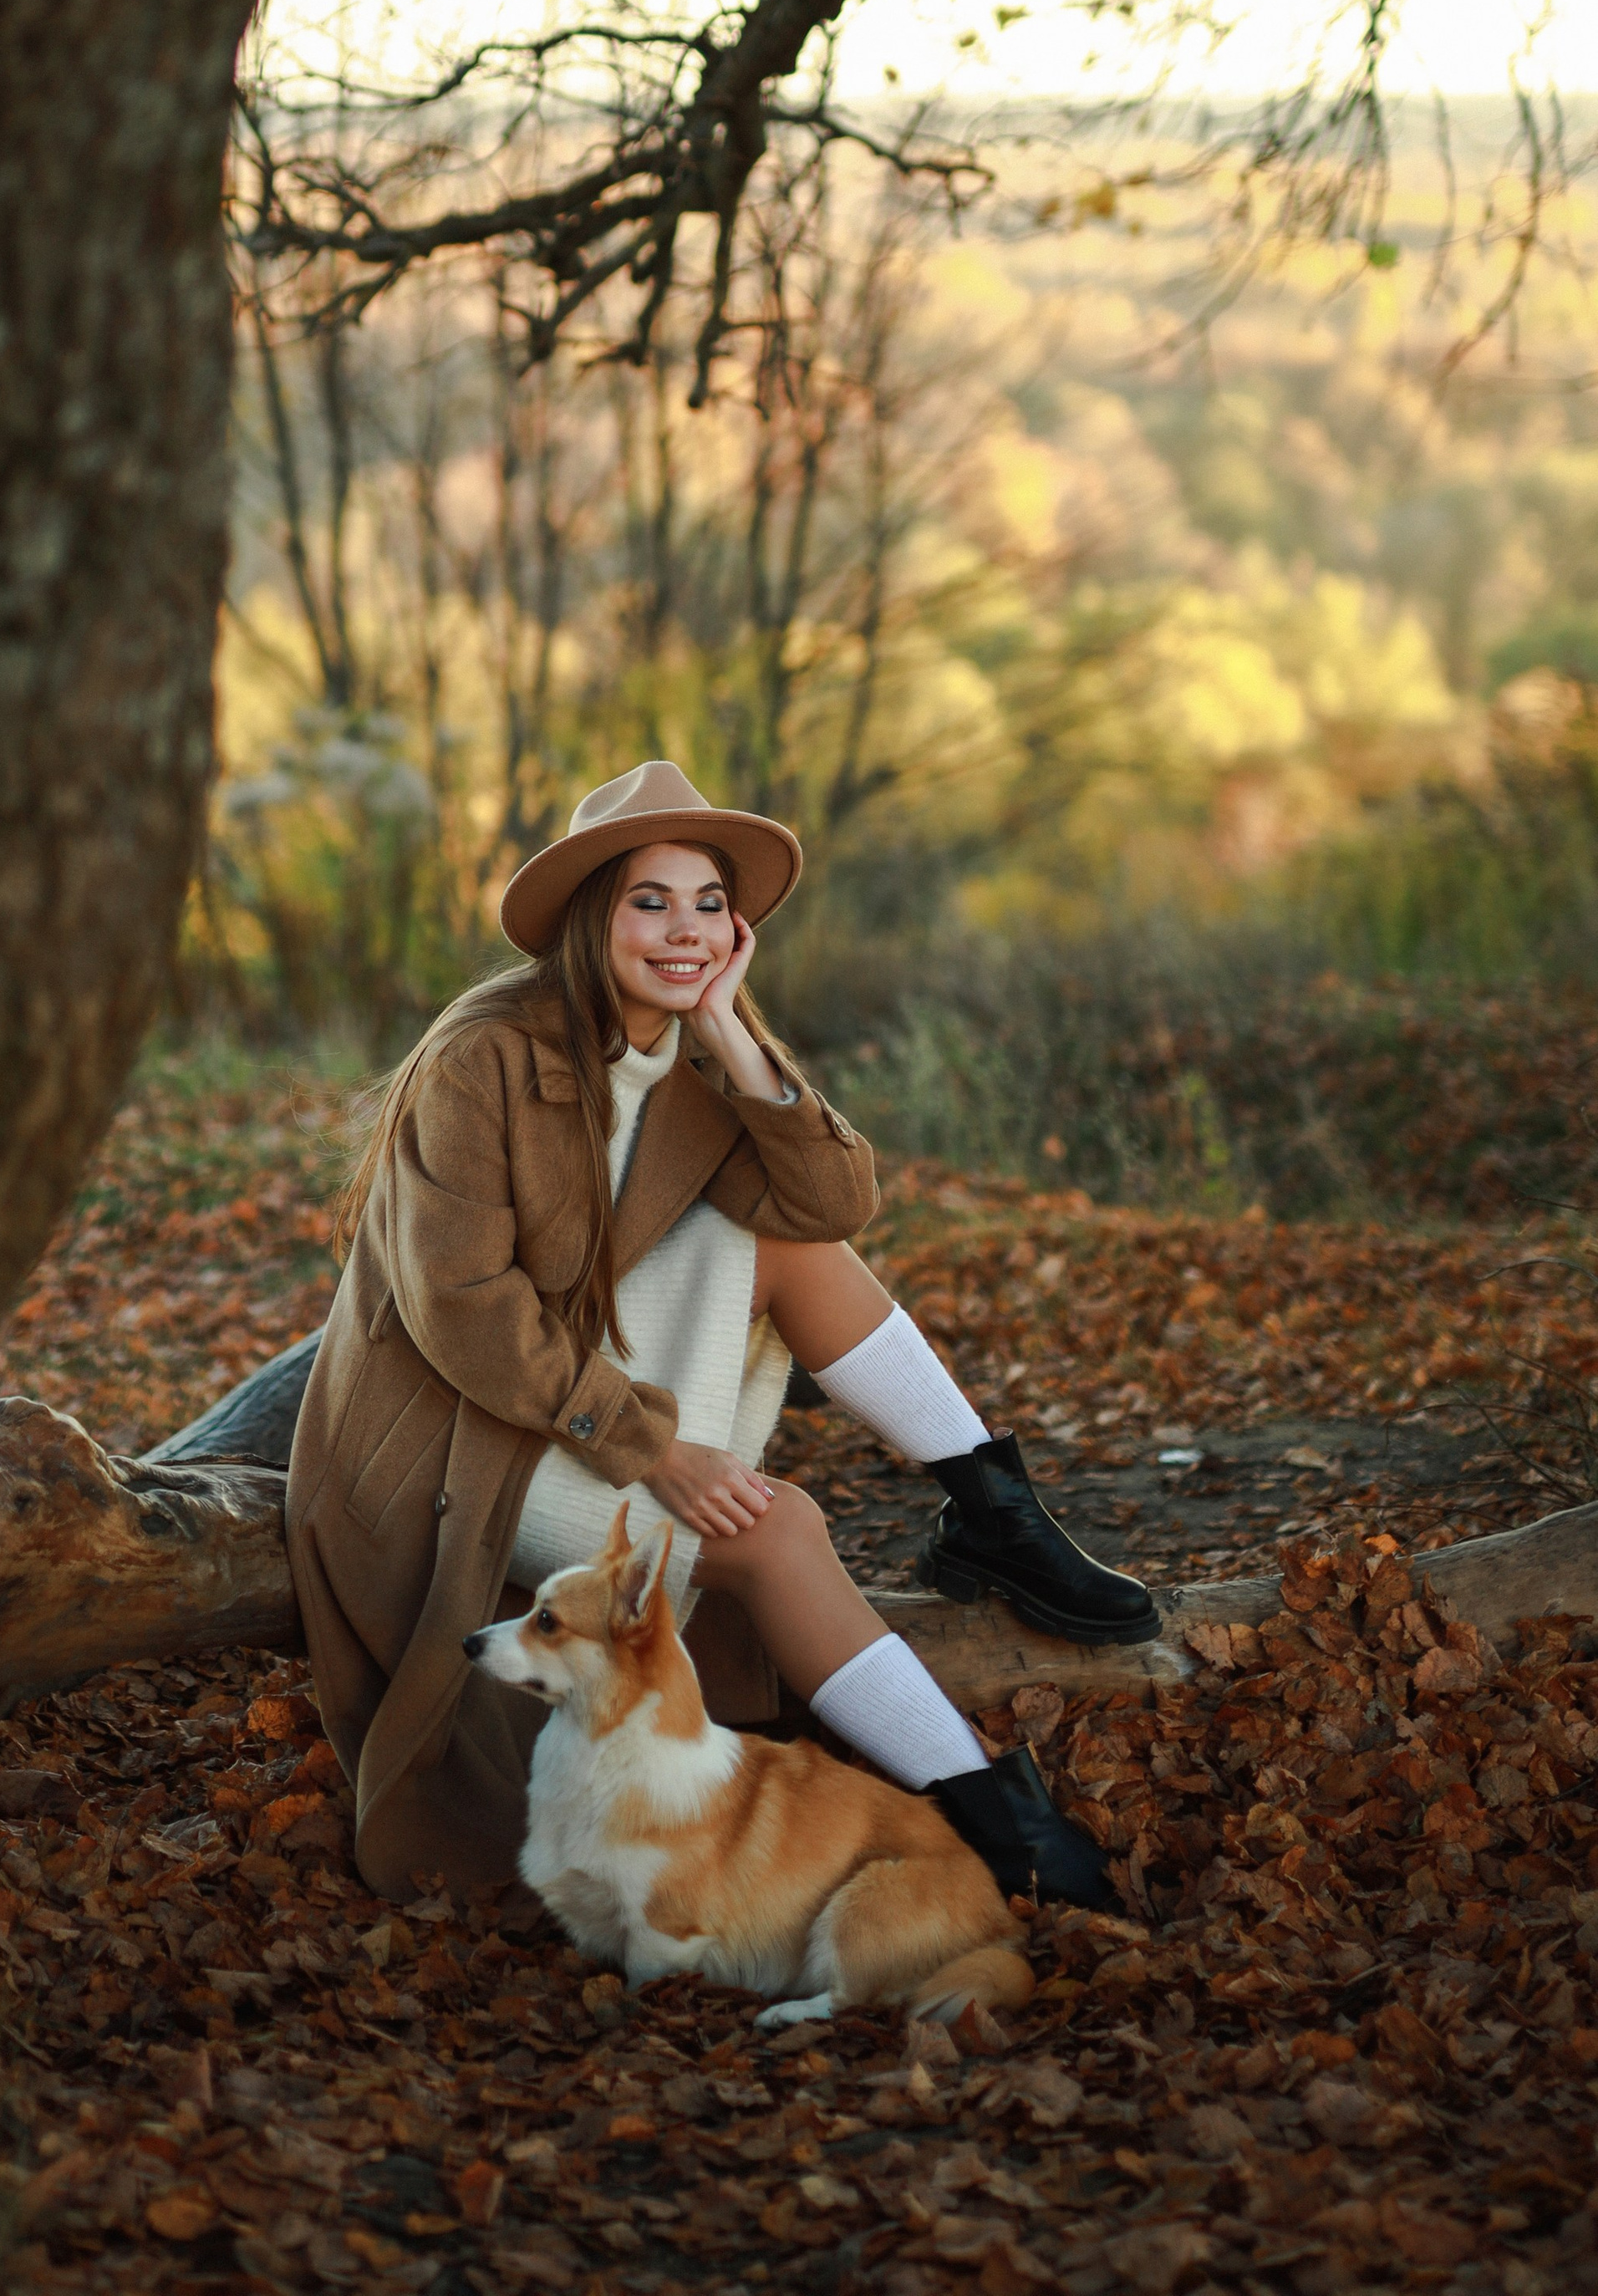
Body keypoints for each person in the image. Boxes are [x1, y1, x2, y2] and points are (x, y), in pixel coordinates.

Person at [286, 762, 1153, 1905]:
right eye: (651, 901)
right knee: (778, 1531)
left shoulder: (697, 1052)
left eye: (708, 903)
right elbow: (466, 1311)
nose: (684, 929)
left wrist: (738, 1039)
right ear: (595, 916)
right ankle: (995, 1823)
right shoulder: (482, 1055)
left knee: (794, 1248)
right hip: (455, 1441)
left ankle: (996, 1512)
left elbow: (833, 1207)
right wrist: (658, 1453)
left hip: (571, 1372)